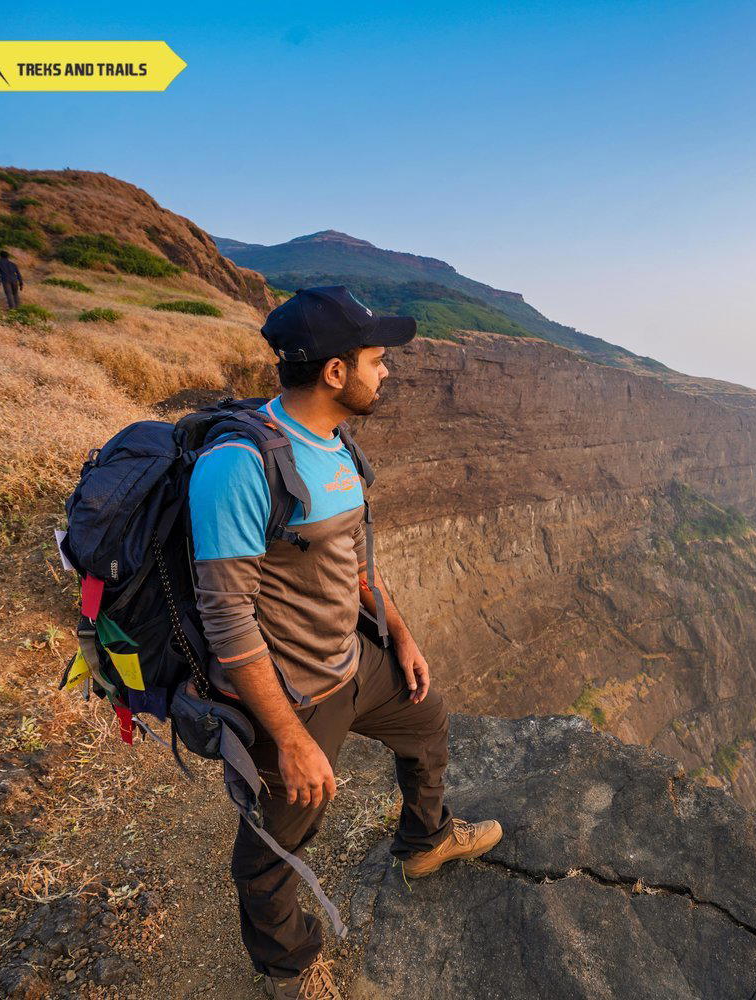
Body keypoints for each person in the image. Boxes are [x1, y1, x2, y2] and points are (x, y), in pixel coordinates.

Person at [188, 286, 502, 1000]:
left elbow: (355, 563)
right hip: (294, 696)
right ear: (335, 373)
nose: (385, 373)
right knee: (274, 850)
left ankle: (423, 842)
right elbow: (227, 618)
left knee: (427, 720)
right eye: (376, 361)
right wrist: (290, 740)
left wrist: (400, 633)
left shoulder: (335, 448)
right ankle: (288, 970)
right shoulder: (238, 468)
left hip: (354, 659)